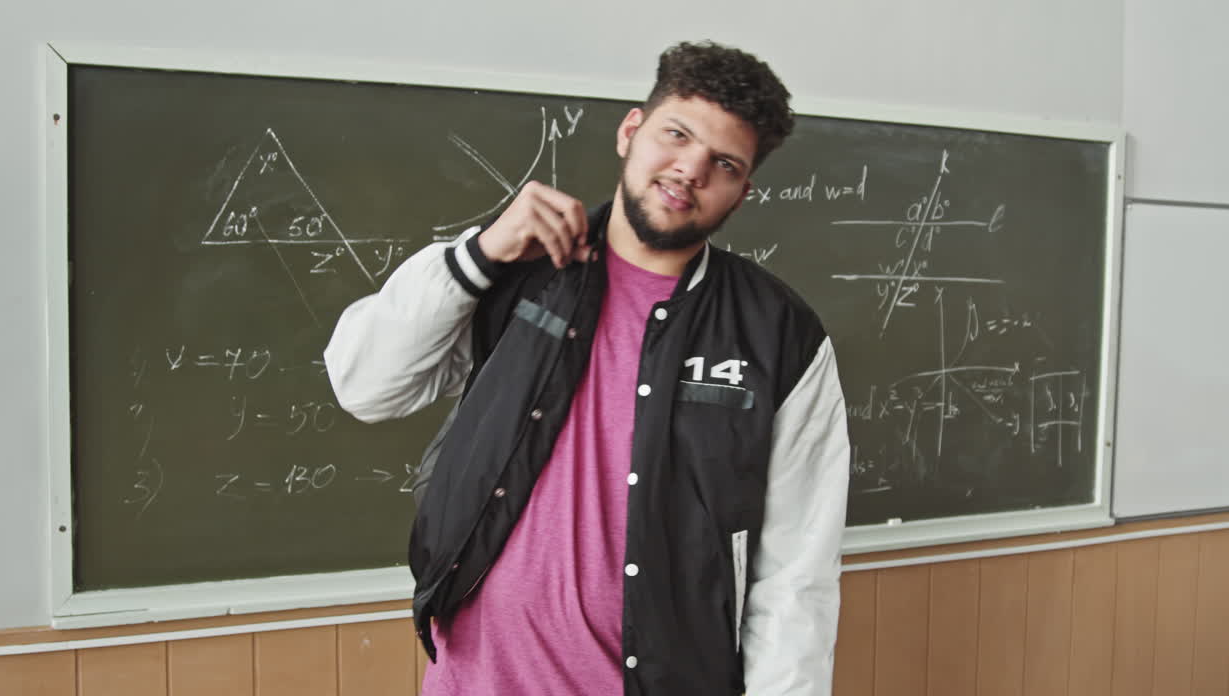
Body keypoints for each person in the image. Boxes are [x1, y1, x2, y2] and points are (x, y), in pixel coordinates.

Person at [324, 41, 850, 696]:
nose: (688, 169)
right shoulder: (515, 269)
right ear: (631, 131)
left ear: (743, 191)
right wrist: (478, 255)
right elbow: (365, 386)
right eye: (676, 135)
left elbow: (796, 575)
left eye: (723, 162)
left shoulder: (781, 336)